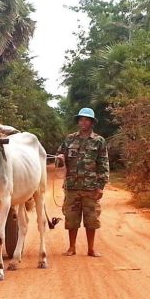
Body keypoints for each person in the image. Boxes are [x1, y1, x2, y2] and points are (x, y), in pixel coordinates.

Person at [54, 107, 109, 257]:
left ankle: (91, 249)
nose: (83, 122)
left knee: (91, 219)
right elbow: (60, 157)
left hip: (91, 187)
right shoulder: (70, 139)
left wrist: (101, 186)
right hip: (72, 186)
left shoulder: (99, 141)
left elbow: (103, 164)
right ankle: (72, 248)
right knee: (71, 219)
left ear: (92, 122)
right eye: (81, 119)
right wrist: (60, 159)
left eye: (86, 120)